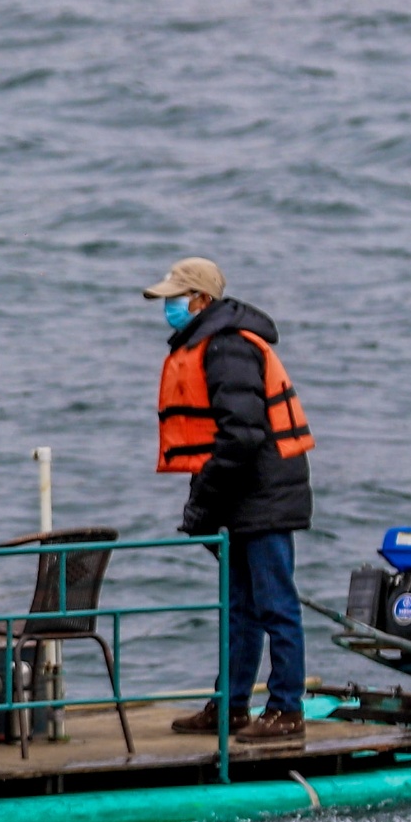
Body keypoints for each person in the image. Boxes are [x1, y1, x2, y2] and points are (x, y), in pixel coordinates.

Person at [144, 256, 316, 748]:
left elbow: (241, 436)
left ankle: (286, 709)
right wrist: (208, 504)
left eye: (175, 299)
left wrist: (202, 506)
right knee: (240, 607)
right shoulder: (213, 341)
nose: (168, 308)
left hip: (263, 496)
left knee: (275, 604)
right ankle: (233, 704)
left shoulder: (227, 347)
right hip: (245, 496)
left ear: (200, 301)